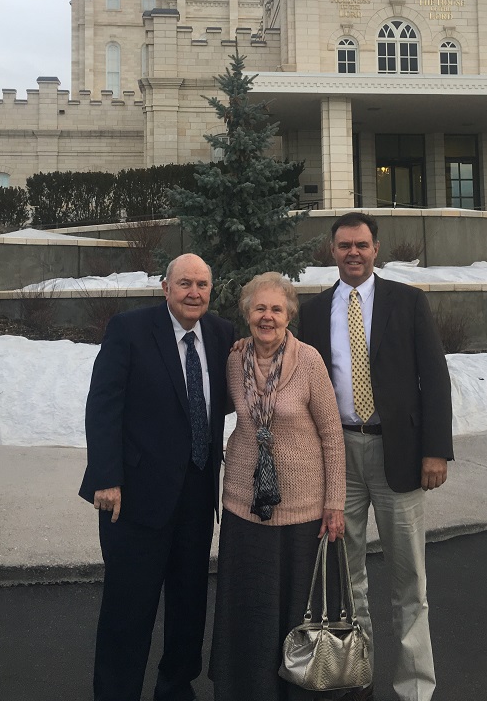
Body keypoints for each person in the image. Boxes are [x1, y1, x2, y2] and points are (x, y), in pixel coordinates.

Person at [298, 212, 453, 701]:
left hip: (399, 454)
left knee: (410, 581)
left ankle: (414, 687)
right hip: (338, 455)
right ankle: (355, 676)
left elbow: (435, 378)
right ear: (332, 250)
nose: (353, 253)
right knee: (348, 577)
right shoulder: (313, 311)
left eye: (361, 245)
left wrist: (435, 450)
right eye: (344, 245)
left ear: (376, 248)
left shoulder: (407, 302)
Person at [79, 253, 235, 701]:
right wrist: (106, 477)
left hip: (197, 495)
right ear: (165, 287)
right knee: (129, 610)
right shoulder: (130, 329)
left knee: (189, 606)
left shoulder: (221, 333)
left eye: (202, 284)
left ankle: (175, 688)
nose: (194, 292)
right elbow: (103, 404)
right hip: (134, 497)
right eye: (184, 283)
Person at [210, 271, 346, 701]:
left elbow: (331, 434)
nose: (267, 317)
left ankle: (298, 691)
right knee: (247, 605)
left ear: (289, 315)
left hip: (302, 510)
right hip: (244, 506)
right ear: (246, 313)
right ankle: (246, 688)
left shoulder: (308, 361)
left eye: (276, 309)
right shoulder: (234, 360)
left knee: (294, 607)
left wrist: (335, 503)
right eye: (259, 308)